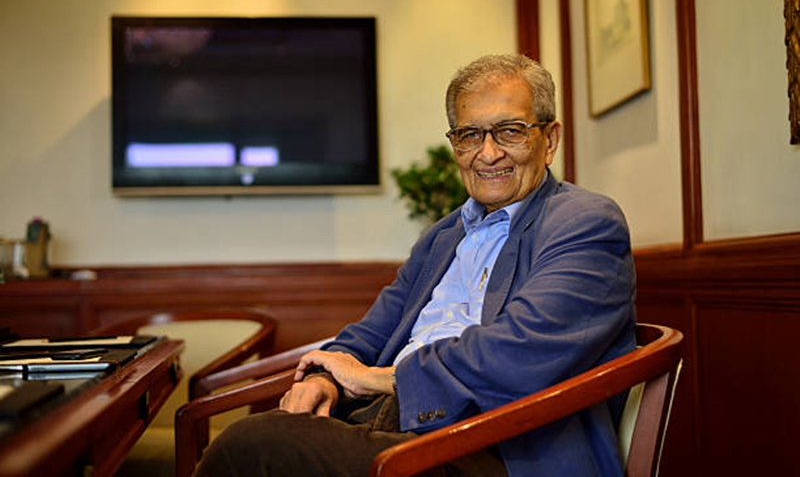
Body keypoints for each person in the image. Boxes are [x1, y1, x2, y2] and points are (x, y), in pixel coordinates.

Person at [195, 54, 637, 476]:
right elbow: (371, 333)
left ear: (549, 140)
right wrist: (326, 379)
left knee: (250, 446)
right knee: (266, 440)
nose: (487, 154)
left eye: (509, 131)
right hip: (393, 427)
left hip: (499, 449)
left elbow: (520, 353)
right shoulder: (443, 236)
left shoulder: (585, 222)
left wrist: (381, 379)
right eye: (469, 135)